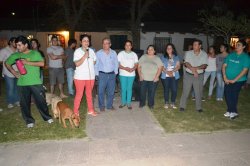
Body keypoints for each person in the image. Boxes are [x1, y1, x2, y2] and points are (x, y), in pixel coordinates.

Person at [5, 35, 53, 128]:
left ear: (26, 45)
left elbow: (42, 63)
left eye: (19, 45)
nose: (17, 47)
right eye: (16, 45)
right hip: (22, 83)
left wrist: (27, 62)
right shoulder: (16, 55)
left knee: (41, 102)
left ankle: (47, 117)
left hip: (36, 82)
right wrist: (14, 72)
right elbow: (7, 63)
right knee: (24, 104)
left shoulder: (35, 53)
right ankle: (29, 121)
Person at [222, 39, 249, 119]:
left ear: (243, 47)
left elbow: (244, 70)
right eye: (236, 45)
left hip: (239, 80)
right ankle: (230, 110)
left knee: (233, 94)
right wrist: (224, 77)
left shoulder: (246, 57)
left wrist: (234, 80)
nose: (236, 46)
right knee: (227, 94)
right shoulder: (231, 55)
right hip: (228, 79)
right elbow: (224, 66)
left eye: (238, 45)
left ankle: (233, 112)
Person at [179, 39, 208, 112]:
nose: (194, 46)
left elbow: (204, 65)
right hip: (189, 75)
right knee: (186, 91)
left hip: (199, 75)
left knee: (198, 92)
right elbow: (186, 63)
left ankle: (199, 107)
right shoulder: (188, 53)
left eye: (195, 44)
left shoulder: (204, 54)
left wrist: (195, 68)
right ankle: (182, 106)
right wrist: (193, 70)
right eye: (193, 44)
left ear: (200, 46)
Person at [73, 34, 97, 117]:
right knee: (79, 94)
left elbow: (94, 61)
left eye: (87, 41)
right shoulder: (77, 51)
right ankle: (75, 111)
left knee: (89, 94)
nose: (86, 42)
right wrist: (84, 56)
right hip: (80, 77)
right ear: (81, 42)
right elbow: (77, 64)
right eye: (84, 41)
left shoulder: (92, 51)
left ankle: (90, 110)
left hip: (90, 77)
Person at [95, 37, 119, 112]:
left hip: (112, 74)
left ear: (110, 44)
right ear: (102, 44)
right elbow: (96, 65)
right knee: (101, 91)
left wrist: (115, 72)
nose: (105, 45)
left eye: (107, 43)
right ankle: (101, 106)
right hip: (102, 74)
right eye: (104, 43)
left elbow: (116, 63)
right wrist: (96, 74)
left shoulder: (114, 53)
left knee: (111, 91)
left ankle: (109, 105)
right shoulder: (98, 53)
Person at [138, 45, 163, 109]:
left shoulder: (157, 58)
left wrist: (157, 77)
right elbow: (139, 66)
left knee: (151, 93)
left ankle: (150, 104)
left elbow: (160, 67)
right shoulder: (143, 57)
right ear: (147, 50)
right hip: (143, 78)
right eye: (148, 49)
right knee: (142, 92)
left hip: (153, 79)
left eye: (151, 49)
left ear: (154, 51)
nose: (150, 51)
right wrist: (140, 75)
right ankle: (142, 103)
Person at [117, 40, 138, 110]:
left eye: (129, 45)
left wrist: (133, 69)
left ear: (131, 46)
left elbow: (136, 64)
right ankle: (123, 102)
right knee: (123, 89)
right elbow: (118, 64)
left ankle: (128, 103)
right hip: (123, 74)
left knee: (129, 89)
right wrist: (125, 68)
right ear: (124, 46)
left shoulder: (134, 54)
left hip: (131, 74)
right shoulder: (120, 54)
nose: (128, 46)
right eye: (126, 45)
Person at [0, 37, 20, 109]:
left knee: (17, 87)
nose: (16, 43)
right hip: (8, 72)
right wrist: (7, 64)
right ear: (10, 42)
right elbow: (1, 60)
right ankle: (10, 102)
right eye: (15, 42)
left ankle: (17, 100)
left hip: (18, 72)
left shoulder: (18, 50)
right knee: (10, 88)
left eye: (17, 42)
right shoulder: (4, 50)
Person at [160, 43, 180, 109]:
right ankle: (166, 103)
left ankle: (173, 102)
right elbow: (161, 66)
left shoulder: (176, 56)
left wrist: (172, 72)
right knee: (166, 89)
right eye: (167, 48)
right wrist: (167, 72)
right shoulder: (163, 57)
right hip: (165, 75)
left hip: (174, 75)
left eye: (170, 48)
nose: (169, 49)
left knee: (174, 90)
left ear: (173, 49)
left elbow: (178, 66)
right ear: (166, 49)